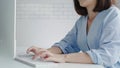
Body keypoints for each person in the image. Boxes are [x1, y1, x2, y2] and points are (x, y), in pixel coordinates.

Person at [26, 0, 120, 68]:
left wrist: (63, 58)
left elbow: (108, 55)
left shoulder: (113, 15)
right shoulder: (82, 21)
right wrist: (44, 52)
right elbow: (67, 44)